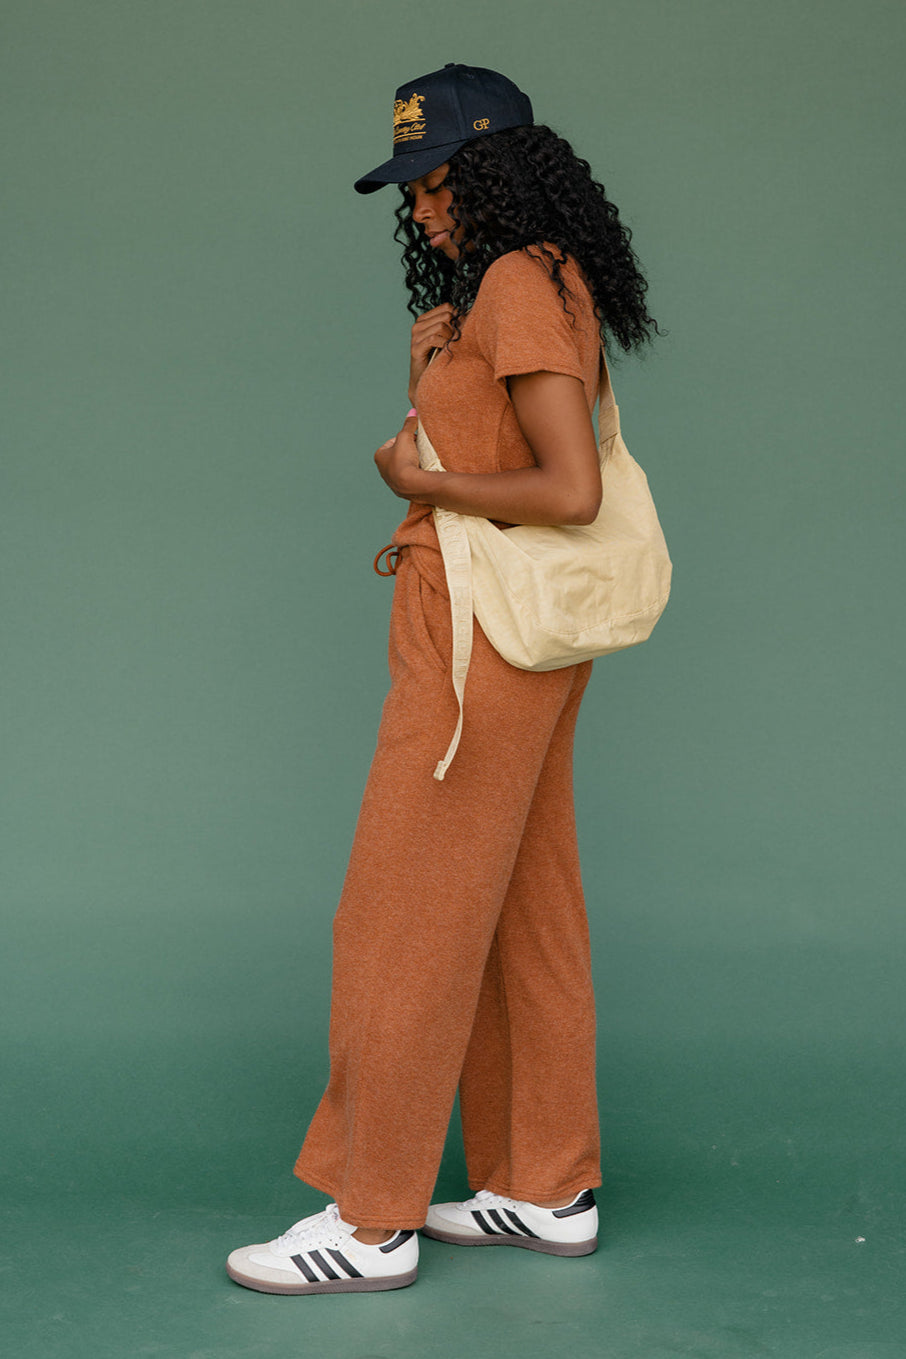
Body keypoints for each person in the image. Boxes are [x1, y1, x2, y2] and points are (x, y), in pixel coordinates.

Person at [227, 61, 661, 1296]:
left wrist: (421, 484)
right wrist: (442, 360)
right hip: (518, 639)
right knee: (526, 903)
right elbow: (520, 438)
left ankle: (369, 1221)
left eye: (437, 180)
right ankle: (544, 1184)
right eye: (412, 187)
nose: (420, 206)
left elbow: (566, 491)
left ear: (497, 169)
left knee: (400, 915)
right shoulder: (539, 283)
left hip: (475, 640)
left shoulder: (520, 286)